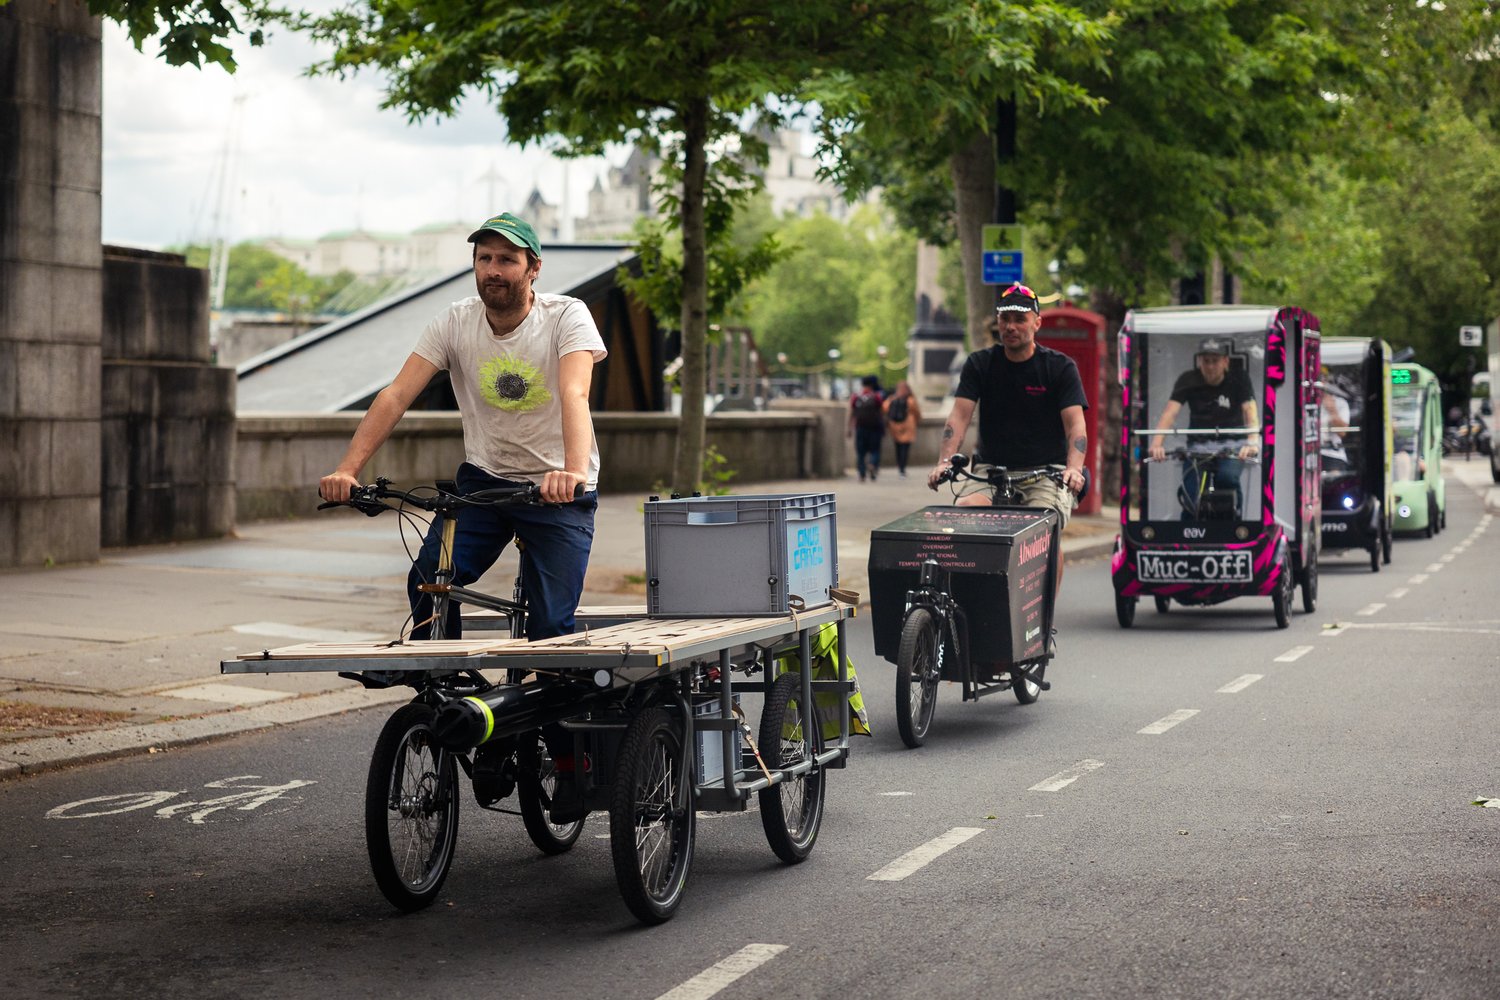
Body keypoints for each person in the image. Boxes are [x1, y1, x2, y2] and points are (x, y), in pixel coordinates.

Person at [319, 212, 607, 642]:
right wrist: (347, 469)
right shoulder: (455, 321)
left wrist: (572, 472)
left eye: (508, 260)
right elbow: (397, 394)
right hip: (485, 482)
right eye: (484, 258)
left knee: (550, 627)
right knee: (428, 578)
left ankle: (554, 701)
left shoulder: (566, 316)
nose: (493, 269)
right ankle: (443, 682)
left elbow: (575, 394)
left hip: (556, 488)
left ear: (534, 269)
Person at [927, 282, 1087, 593]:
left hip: (1045, 473)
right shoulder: (980, 364)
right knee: (961, 519)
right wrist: (944, 462)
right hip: (990, 471)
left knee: (1046, 533)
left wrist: (1074, 468)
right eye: (1004, 319)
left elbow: (1075, 426)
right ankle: (967, 604)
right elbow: (959, 416)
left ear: (1036, 323)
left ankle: (1043, 624)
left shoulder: (1059, 367)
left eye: (1019, 319)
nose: (1010, 327)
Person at [1148, 336, 1259, 517]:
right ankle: (1188, 535)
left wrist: (1253, 442)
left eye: (1215, 361)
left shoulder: (1239, 379)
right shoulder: (1188, 379)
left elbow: (1250, 410)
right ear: (1200, 361)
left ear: (1225, 361)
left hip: (1233, 444)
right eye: (1206, 361)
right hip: (1198, 446)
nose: (1210, 366)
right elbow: (1170, 413)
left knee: (1227, 478)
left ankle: (1236, 523)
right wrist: (1156, 444)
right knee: (1190, 489)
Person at [848, 374, 886, 482]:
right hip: (875, 428)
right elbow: (881, 412)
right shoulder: (877, 396)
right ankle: (872, 464)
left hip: (860, 427)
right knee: (875, 450)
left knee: (861, 452)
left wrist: (849, 428)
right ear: (872, 385)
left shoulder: (856, 397)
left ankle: (862, 474)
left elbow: (851, 413)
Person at [883, 380, 922, 478]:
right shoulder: (910, 400)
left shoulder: (892, 399)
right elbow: (917, 412)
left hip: (895, 426)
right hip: (908, 425)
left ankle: (900, 466)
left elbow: (884, 408)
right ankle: (902, 469)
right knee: (905, 447)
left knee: (898, 447)